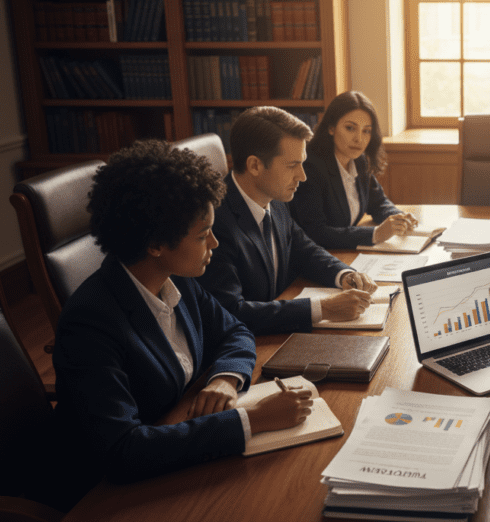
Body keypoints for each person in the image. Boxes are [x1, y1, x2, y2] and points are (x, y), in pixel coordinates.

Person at [53, 140, 314, 498]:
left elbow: (235, 331)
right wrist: (251, 419)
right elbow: (123, 451)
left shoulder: (175, 280)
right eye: (203, 234)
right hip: (108, 496)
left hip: (177, 451)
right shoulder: (90, 322)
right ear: (156, 244)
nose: (215, 244)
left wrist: (225, 379)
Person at [198, 106, 376, 336]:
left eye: (302, 163)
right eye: (292, 165)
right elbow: (231, 311)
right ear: (255, 166)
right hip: (246, 346)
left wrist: (344, 274)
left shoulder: (275, 196)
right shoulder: (215, 223)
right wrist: (322, 309)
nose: (302, 176)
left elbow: (303, 248)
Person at [289, 90, 418, 249]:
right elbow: (315, 232)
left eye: (366, 130)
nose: (359, 139)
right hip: (316, 256)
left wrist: (398, 218)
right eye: (350, 128)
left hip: (344, 251)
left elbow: (378, 203)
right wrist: (376, 234)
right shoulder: (311, 167)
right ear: (331, 128)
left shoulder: (360, 161)